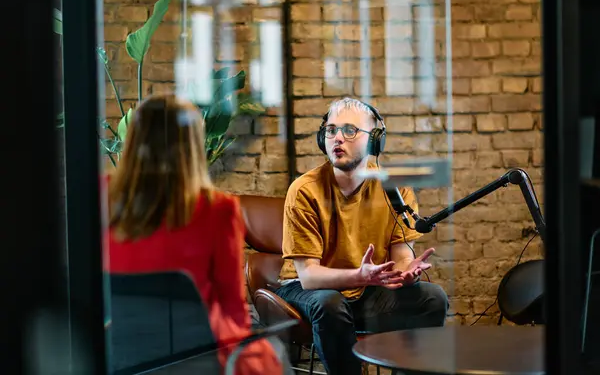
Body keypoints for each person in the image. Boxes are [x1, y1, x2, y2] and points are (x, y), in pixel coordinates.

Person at [104, 94, 289, 375]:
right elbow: (231, 310)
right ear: (191, 146)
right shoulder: (218, 209)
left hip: (122, 356)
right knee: (275, 357)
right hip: (196, 358)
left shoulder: (104, 195)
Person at [274, 97, 449, 374]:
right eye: (331, 130)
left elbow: (401, 255)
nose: (337, 139)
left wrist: (405, 273)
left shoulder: (396, 189)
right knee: (330, 303)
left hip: (366, 289)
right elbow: (309, 276)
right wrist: (360, 275)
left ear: (374, 141)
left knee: (432, 297)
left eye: (349, 130)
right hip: (308, 289)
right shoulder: (305, 190)